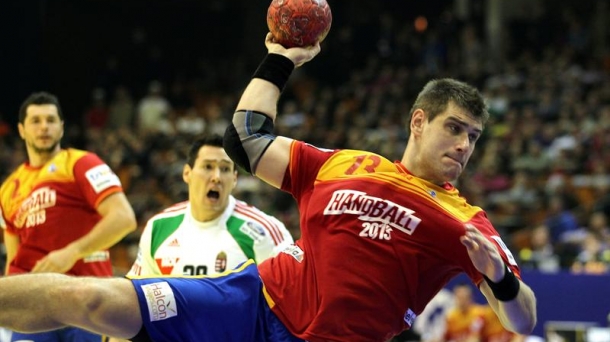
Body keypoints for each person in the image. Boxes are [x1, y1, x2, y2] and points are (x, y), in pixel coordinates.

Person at [0, 35, 536, 342]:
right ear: (419, 122)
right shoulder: (344, 163)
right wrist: (281, 58)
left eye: (473, 136)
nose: (465, 145)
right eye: (454, 128)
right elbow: (247, 139)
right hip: (249, 301)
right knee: (93, 298)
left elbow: (523, 317)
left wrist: (500, 281)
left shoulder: (465, 219)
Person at [0, 91, 137, 342]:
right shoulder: (8, 188)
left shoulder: (82, 163)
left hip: (86, 300)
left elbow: (124, 218)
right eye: (36, 121)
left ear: (61, 127)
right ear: (21, 129)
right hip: (35, 308)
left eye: (51, 120)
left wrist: (71, 252)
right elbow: (13, 259)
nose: (44, 127)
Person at [127, 134, 294, 277]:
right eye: (208, 167)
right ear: (187, 173)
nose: (216, 177)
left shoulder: (263, 231)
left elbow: (289, 297)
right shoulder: (158, 227)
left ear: (234, 179)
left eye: (225, 169)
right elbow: (139, 295)